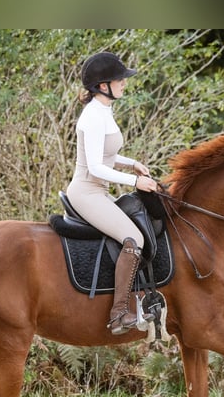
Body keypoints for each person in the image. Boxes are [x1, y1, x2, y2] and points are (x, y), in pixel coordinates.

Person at [66, 51, 158, 335]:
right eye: (119, 79)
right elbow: (95, 166)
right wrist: (134, 182)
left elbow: (106, 154)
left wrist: (133, 163)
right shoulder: (93, 116)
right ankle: (118, 314)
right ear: (103, 85)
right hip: (86, 191)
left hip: (98, 191)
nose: (124, 83)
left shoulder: (103, 111)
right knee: (134, 239)